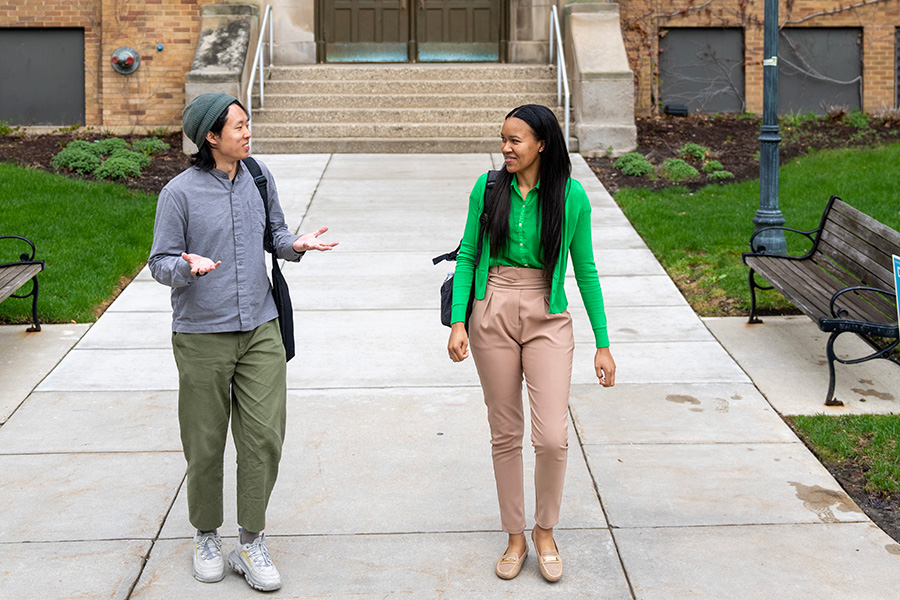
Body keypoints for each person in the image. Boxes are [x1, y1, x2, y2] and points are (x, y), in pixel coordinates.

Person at [149, 93, 337, 592]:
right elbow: (159, 262)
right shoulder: (178, 194)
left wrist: (295, 245)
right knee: (205, 443)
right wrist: (185, 269)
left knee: (263, 439)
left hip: (260, 327)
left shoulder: (258, 175)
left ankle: (250, 541)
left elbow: (274, 234)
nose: (247, 132)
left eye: (247, 123)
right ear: (211, 137)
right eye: (237, 126)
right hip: (201, 334)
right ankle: (205, 535)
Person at [447, 104, 616, 582]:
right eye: (502, 139)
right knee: (505, 432)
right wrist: (458, 322)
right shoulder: (489, 187)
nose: (505, 147)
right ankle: (515, 536)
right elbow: (466, 255)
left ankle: (546, 530)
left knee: (552, 437)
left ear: (542, 143)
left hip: (548, 310)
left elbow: (585, 270)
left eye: (515, 140)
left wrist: (603, 343)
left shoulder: (571, 196)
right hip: (492, 306)